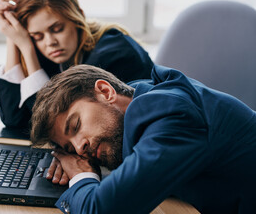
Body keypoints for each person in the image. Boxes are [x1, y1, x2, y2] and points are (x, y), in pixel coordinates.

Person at [30, 64, 256, 214]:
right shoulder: (138, 95)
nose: (80, 148)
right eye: (70, 147)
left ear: (106, 92)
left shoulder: (171, 115)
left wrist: (80, 175)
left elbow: (102, 210)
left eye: (76, 125)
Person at [0, 0, 154, 128]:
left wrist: (27, 48)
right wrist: (12, 35)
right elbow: (13, 119)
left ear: (79, 17)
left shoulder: (113, 55)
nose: (49, 42)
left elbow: (55, 126)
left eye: (57, 29)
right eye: (37, 36)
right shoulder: (50, 54)